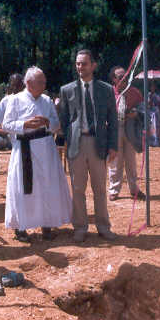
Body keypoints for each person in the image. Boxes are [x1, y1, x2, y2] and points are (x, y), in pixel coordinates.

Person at [2, 67, 72, 242]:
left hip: (46, 148)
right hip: (24, 148)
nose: (44, 84)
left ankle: (47, 225)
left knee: (47, 186)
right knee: (22, 189)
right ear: (28, 83)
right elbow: (6, 124)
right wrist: (25, 124)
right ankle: (20, 227)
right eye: (40, 82)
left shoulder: (47, 100)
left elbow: (56, 125)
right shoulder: (15, 100)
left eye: (44, 81)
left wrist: (47, 122)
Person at [59, 49, 118, 243]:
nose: (80, 67)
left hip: (98, 143)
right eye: (77, 63)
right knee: (78, 189)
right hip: (77, 144)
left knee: (100, 188)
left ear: (93, 65)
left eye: (84, 63)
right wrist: (67, 142)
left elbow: (113, 120)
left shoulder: (106, 89)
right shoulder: (66, 90)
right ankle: (80, 227)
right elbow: (64, 119)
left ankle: (103, 227)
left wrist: (113, 145)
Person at [107, 66, 146, 201]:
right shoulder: (108, 93)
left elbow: (144, 109)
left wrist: (136, 113)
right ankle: (114, 189)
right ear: (113, 79)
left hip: (130, 129)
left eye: (125, 76)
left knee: (130, 160)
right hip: (114, 129)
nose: (123, 79)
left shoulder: (135, 92)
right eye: (120, 77)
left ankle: (134, 189)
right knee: (115, 161)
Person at [0, 73, 24, 150]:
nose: (15, 88)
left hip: (24, 135)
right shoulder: (6, 100)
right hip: (8, 136)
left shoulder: (28, 100)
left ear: (23, 85)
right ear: (10, 86)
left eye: (18, 85)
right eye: (13, 85)